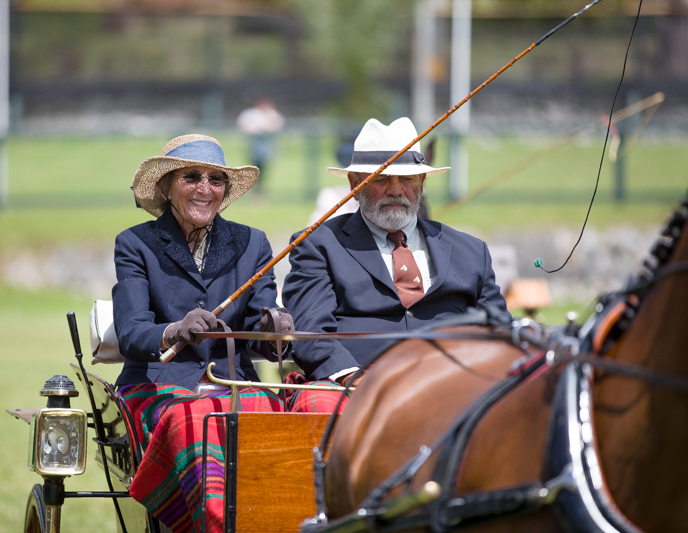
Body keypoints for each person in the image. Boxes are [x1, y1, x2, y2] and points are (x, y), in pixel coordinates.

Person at [112, 134, 293, 533]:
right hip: (160, 388)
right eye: (191, 177)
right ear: (166, 186)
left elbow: (260, 322)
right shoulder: (135, 244)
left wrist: (273, 326)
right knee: (196, 424)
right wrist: (174, 330)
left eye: (216, 180)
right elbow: (131, 333)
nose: (204, 188)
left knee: (276, 420)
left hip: (235, 384)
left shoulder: (253, 244)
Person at [282, 117, 510, 411]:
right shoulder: (318, 245)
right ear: (354, 184)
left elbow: (500, 331)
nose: (395, 190)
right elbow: (310, 333)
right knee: (321, 404)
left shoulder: (471, 251)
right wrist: (355, 379)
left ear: (422, 183)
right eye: (381, 178)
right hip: (359, 393)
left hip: (456, 388)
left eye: (406, 178)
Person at [236, 96, 284, 195]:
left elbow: (277, 126)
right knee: (253, 169)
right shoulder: (251, 114)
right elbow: (244, 127)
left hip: (267, 146)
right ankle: (253, 193)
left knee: (264, 171)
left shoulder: (272, 114)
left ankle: (260, 192)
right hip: (254, 146)